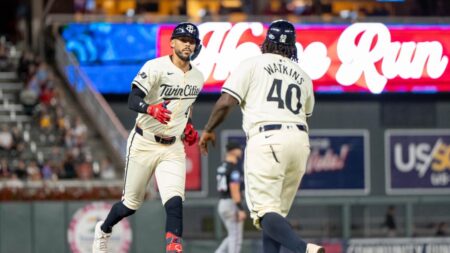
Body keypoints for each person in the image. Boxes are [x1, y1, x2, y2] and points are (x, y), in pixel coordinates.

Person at [199, 20, 324, 253]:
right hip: (299, 142)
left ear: (267, 41)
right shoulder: (303, 76)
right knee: (274, 216)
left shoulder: (253, 64)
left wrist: (208, 129)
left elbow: (226, 102)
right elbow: (306, 113)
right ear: (293, 47)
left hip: (267, 139)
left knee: (265, 212)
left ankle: (303, 249)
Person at [92, 22, 204, 253]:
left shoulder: (198, 77)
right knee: (130, 205)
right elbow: (133, 99)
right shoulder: (155, 66)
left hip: (172, 147)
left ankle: (173, 246)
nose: (187, 44)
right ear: (172, 42)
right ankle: (103, 229)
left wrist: (188, 128)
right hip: (144, 142)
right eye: (183, 39)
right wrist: (150, 109)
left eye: (191, 41)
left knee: (174, 201)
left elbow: (184, 109)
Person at [215, 142, 246, 253]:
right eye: (239, 148)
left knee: (232, 235)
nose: (241, 151)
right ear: (233, 150)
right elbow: (234, 190)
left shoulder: (222, 166)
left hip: (222, 203)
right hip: (231, 204)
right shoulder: (234, 169)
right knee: (236, 239)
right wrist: (240, 208)